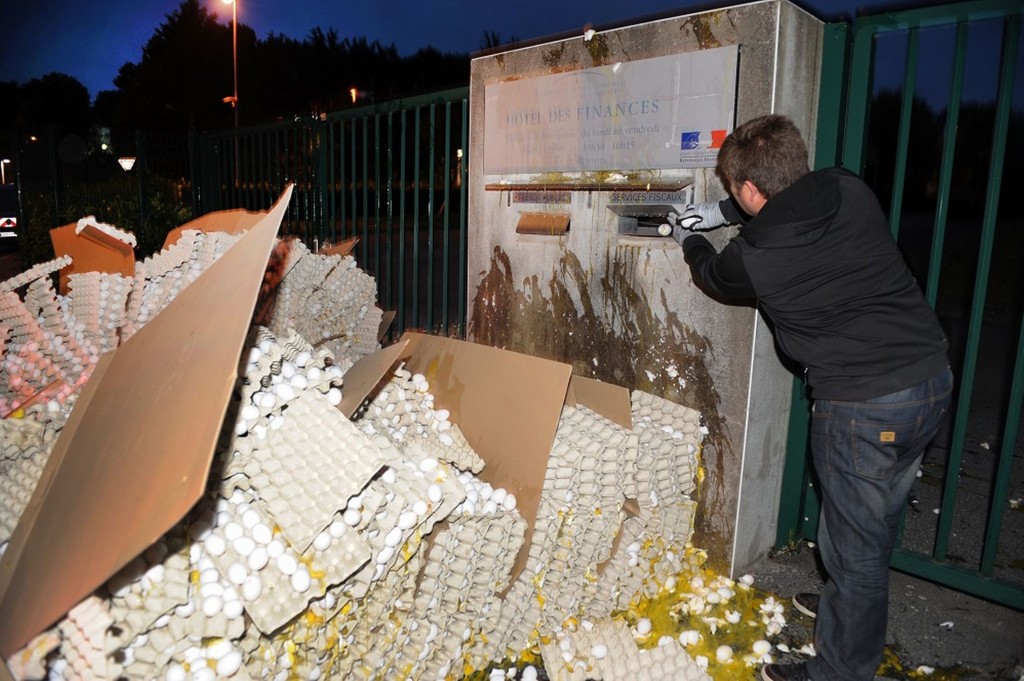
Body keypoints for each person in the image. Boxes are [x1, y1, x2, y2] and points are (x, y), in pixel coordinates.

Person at [672, 114, 952, 681]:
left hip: (862, 408)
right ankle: (850, 609)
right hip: (930, 380)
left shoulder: (755, 256)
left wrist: (690, 236)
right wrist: (726, 209)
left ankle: (840, 669)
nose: (734, 199)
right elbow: (785, 198)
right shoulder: (848, 187)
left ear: (751, 191)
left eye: (734, 192)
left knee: (854, 549)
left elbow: (712, 274)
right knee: (871, 524)